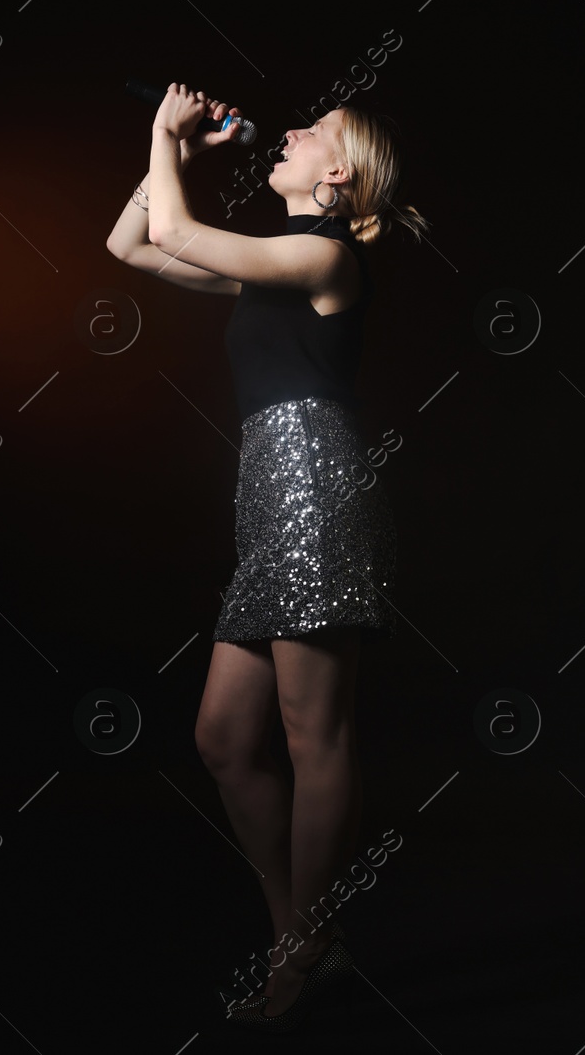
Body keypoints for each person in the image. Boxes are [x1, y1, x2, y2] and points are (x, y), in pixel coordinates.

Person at [106, 83, 429, 1032]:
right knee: (222, 737)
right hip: (268, 500)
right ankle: (303, 933)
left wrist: (165, 137)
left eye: (312, 132)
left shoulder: (324, 257)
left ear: (337, 174)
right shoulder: (269, 266)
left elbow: (175, 227)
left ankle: (303, 946)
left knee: (311, 733)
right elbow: (134, 241)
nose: (287, 132)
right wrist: (176, 154)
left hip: (316, 495)